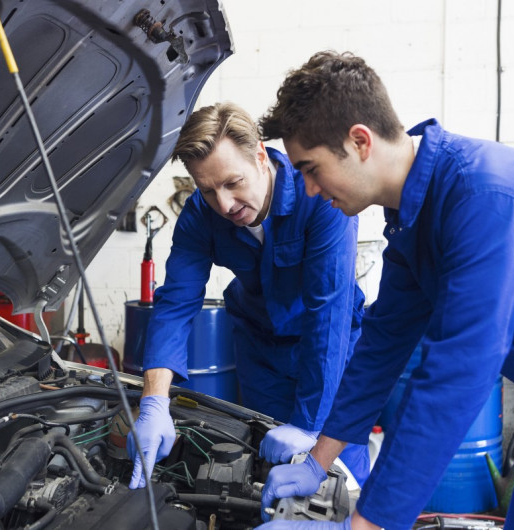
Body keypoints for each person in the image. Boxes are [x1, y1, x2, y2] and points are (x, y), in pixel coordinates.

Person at [256, 51, 514, 530]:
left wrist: (365, 525)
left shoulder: (483, 199)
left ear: (360, 141)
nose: (308, 190)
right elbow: (381, 347)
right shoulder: (415, 214)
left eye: (310, 168)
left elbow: (457, 373)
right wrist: (317, 461)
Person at [126, 102, 368, 490]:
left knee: (341, 478)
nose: (223, 205)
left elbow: (329, 311)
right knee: (264, 467)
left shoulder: (319, 195)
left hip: (330, 348)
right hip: (261, 350)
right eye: (208, 190)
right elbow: (175, 304)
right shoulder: (200, 216)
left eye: (232, 183)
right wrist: (154, 399)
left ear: (259, 155)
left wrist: (309, 423)